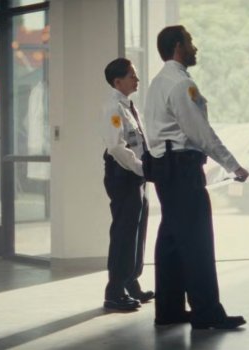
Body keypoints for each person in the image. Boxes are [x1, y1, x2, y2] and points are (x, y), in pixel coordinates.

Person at [142, 25, 249, 329]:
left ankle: (170, 309)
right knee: (197, 239)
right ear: (178, 46)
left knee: (172, 240)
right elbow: (200, 132)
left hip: (165, 168)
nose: (194, 47)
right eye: (190, 41)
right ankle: (206, 312)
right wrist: (233, 165)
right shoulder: (179, 84)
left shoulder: (157, 82)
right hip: (182, 169)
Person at [99, 58, 154, 311]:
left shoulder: (129, 105)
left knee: (138, 229)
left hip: (135, 174)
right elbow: (116, 147)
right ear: (117, 81)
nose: (137, 78)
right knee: (123, 233)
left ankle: (131, 282)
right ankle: (114, 291)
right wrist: (141, 168)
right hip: (123, 174)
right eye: (132, 75)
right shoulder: (113, 107)